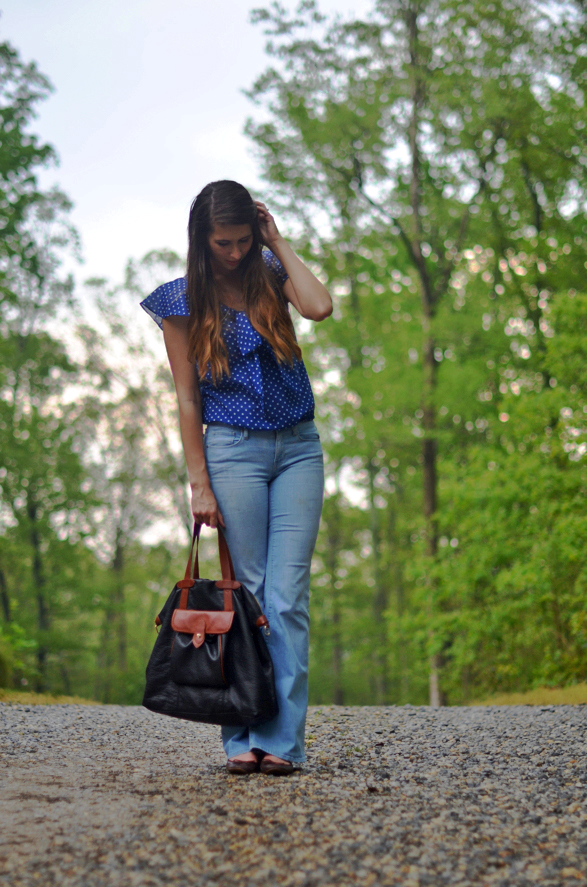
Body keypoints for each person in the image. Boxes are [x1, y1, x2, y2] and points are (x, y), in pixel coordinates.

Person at [141, 180, 332, 775]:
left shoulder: (271, 272)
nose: (234, 252)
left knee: (287, 598)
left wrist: (277, 242)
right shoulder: (179, 301)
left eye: (244, 240)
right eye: (223, 242)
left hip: (299, 448)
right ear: (202, 239)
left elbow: (320, 306)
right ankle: (240, 736)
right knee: (244, 595)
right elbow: (187, 398)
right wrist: (198, 482)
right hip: (232, 453)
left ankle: (281, 742)